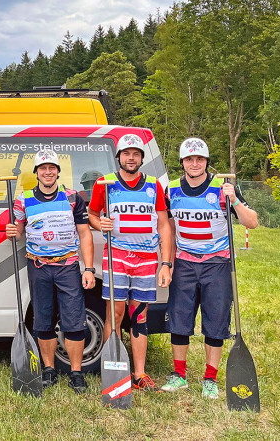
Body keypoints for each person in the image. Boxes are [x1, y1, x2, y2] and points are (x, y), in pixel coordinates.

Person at [160, 137, 258, 399]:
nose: (194, 164)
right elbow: (167, 227)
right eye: (189, 159)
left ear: (206, 162)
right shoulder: (170, 189)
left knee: (215, 322)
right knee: (179, 320)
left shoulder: (223, 187)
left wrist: (234, 200)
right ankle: (179, 375)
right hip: (185, 262)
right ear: (182, 163)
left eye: (199, 159)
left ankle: (210, 379)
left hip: (217, 263)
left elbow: (252, 222)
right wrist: (166, 263)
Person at [87, 133, 174, 391]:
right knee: (115, 313)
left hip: (147, 259)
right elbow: (92, 214)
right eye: (126, 154)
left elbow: (164, 226)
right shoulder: (104, 184)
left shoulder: (154, 186)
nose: (131, 158)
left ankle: (139, 373)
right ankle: (111, 368)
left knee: (140, 314)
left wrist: (166, 262)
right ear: (119, 157)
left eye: (136, 154)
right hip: (116, 257)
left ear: (141, 158)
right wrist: (98, 223)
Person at [6, 149, 95, 393]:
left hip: (67, 266)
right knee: (43, 320)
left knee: (74, 321)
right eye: (43, 168)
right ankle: (49, 369)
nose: (48, 172)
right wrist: (14, 231)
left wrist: (88, 269)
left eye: (52, 168)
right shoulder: (23, 199)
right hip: (39, 266)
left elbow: (85, 233)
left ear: (57, 171)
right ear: (36, 172)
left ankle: (76, 373)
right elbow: (19, 228)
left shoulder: (72, 198)